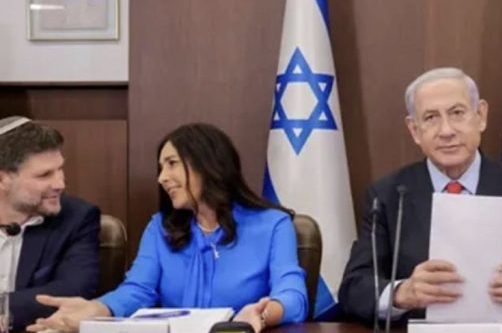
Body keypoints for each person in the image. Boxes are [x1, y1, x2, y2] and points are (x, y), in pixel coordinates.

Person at [338, 67, 502, 326]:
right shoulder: (388, 195)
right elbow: (354, 289)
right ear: (415, 130)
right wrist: (401, 293)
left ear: (480, 116)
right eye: (431, 117)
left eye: (457, 113)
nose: (446, 130)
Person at [28, 123, 308, 332]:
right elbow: (138, 290)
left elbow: (293, 296)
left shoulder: (272, 225)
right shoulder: (160, 227)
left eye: (172, 163)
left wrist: (260, 315)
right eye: (160, 167)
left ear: (209, 164)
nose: (162, 178)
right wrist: (96, 309)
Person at [0, 116, 100, 329]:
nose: (60, 184)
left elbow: (73, 290)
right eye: (45, 175)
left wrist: (3, 309)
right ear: (3, 179)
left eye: (60, 169)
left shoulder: (78, 217)